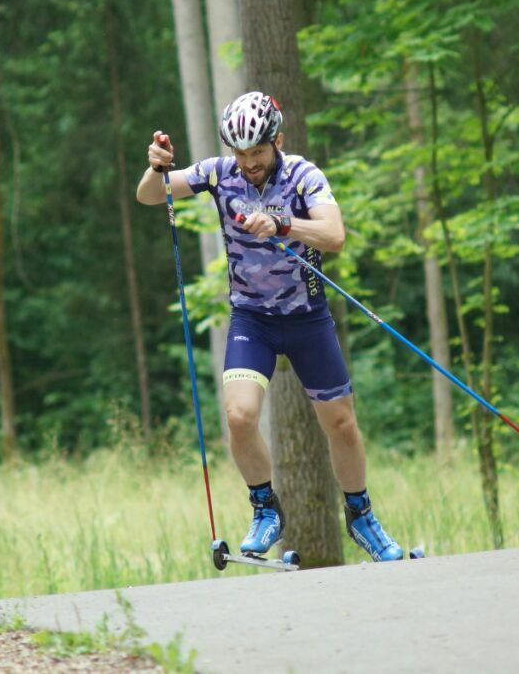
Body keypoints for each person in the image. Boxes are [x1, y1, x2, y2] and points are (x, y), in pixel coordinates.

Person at [135, 91, 405, 562]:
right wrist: (156, 166)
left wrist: (283, 224)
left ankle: (361, 516)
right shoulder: (220, 173)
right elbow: (150, 195)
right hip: (252, 318)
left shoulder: (303, 175)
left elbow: (334, 234)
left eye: (257, 152)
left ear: (277, 140)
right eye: (241, 153)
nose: (249, 162)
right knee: (239, 416)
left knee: (341, 423)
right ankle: (265, 508)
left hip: (307, 317)